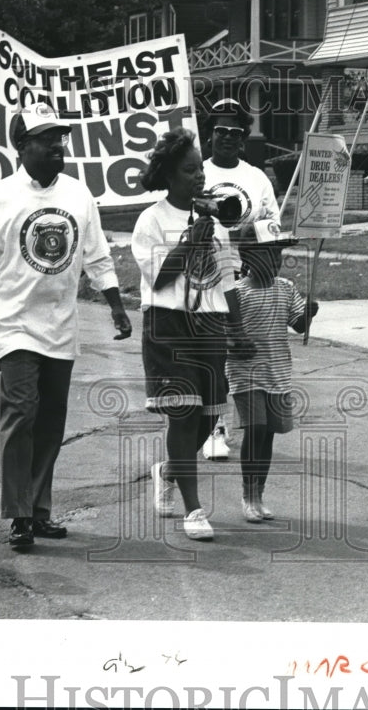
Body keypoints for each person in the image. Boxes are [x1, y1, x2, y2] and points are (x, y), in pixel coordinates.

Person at [0, 103, 132, 550]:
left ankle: (39, 510)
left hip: (61, 327)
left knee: (49, 423)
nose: (57, 145)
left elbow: (97, 255)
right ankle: (19, 514)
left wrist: (116, 305)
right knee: (20, 415)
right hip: (12, 326)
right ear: (21, 146)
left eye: (60, 137)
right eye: (46, 138)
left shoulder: (77, 195)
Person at [132, 127, 254, 540]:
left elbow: (228, 279)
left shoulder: (215, 220)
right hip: (169, 326)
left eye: (200, 169)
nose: (199, 177)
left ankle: (167, 470)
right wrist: (188, 241)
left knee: (207, 418)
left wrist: (238, 329)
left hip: (210, 326)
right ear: (168, 174)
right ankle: (194, 509)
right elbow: (161, 278)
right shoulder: (150, 220)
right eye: (189, 171)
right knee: (183, 417)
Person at [199, 97, 279, 460]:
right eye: (220, 130)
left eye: (235, 131)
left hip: (244, 276)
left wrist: (261, 258)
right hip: (205, 276)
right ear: (210, 134)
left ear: (243, 137)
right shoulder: (198, 174)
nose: (228, 137)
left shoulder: (256, 178)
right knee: (213, 352)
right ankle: (214, 427)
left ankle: (245, 425)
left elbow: (270, 227)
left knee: (241, 355)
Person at [227, 219, 317, 522]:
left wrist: (310, 313)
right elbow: (226, 335)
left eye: (278, 255)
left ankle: (259, 493)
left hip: (278, 374)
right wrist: (234, 345)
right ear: (248, 258)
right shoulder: (236, 293)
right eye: (268, 254)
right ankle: (247, 496)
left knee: (268, 437)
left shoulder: (286, 288)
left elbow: (299, 325)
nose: (275, 262)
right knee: (255, 431)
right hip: (246, 373)